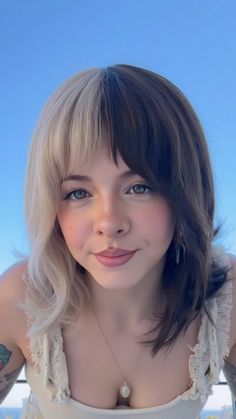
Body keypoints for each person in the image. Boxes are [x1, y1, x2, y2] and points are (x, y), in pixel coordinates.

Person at [0, 64, 235, 419]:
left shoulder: (225, 296)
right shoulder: (22, 296)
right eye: (78, 192)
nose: (109, 224)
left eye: (139, 187)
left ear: (185, 189)